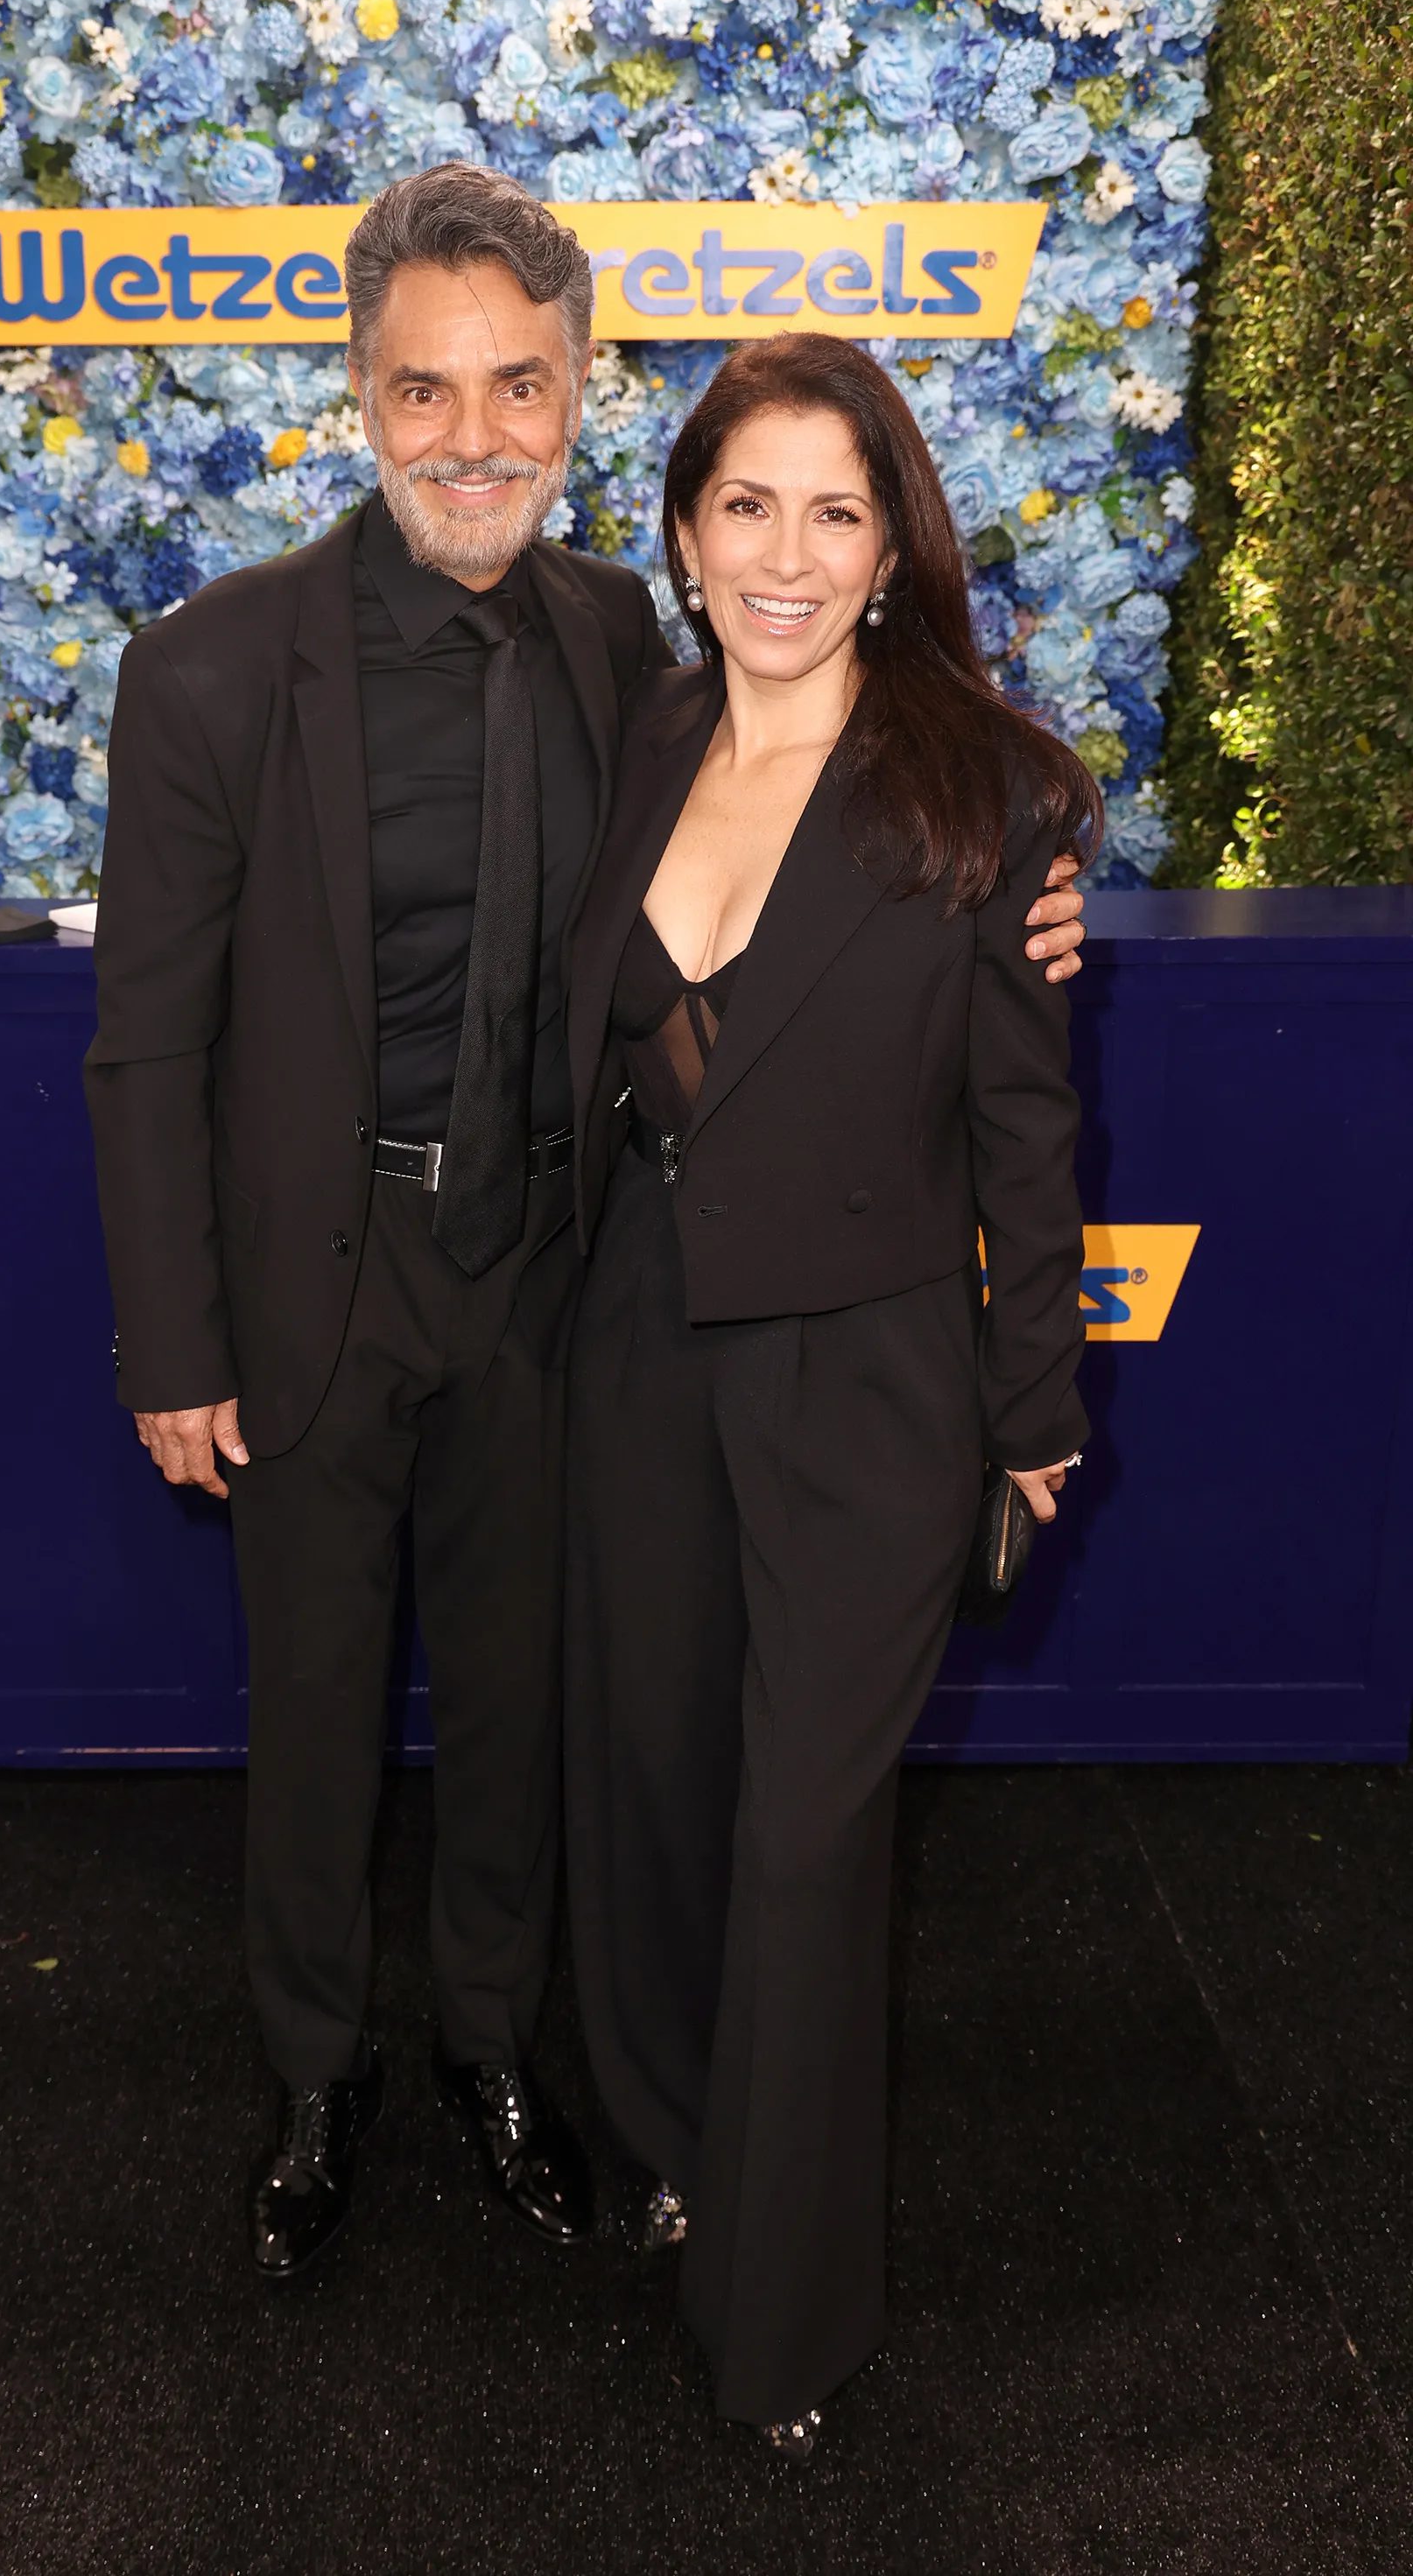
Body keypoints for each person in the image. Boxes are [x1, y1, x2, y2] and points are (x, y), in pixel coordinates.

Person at [83, 166, 1091, 2287]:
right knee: (317, 1703)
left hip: (556, 1289)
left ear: (574, 399)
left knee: (544, 1714)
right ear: (359, 398)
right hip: (308, 1301)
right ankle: (314, 2069)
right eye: (426, 390)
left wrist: (1022, 904)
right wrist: (174, 1345)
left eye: (518, 387)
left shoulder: (621, 640)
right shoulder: (205, 673)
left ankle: (492, 2047)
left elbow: (821, 852)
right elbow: (143, 1051)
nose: (473, 435)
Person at [563, 333, 1095, 2453]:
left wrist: (1035, 1412)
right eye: (744, 506)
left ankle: (782, 2329)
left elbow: (1028, 1134)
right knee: (663, 1797)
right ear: (686, 533)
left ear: (891, 547)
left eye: (834, 511)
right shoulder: (631, 733)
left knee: (804, 1842)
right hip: (630, 1360)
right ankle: (681, 2131)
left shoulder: (990, 785)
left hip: (868, 1384)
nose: (785, 555)